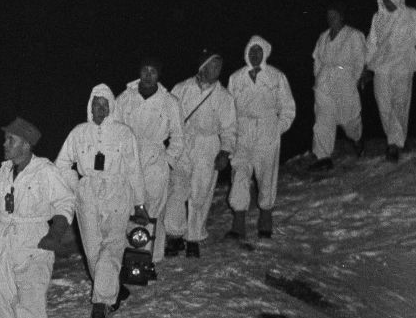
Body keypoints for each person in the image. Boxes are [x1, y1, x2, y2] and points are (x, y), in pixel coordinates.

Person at [0, 120, 74, 318]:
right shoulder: (3, 170)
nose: (4, 144)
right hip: (5, 238)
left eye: (10, 140)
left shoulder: (45, 170)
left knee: (31, 298)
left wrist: (55, 233)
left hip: (33, 238)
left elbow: (65, 201)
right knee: (0, 294)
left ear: (25, 144)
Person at [54, 84, 144, 318]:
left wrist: (140, 202)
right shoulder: (79, 132)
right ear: (90, 106)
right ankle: (111, 287)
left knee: (111, 248)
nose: (100, 109)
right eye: (96, 104)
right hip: (88, 196)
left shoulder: (124, 133)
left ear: (112, 107)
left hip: (117, 193)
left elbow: (134, 169)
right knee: (92, 249)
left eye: (105, 105)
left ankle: (100, 307)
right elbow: (61, 164)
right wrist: (77, 183)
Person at [165, 53, 237, 255]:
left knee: (201, 192)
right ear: (202, 67)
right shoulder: (181, 89)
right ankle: (174, 235)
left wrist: (225, 151)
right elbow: (168, 115)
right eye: (212, 66)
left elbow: (230, 128)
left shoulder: (224, 97)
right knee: (177, 189)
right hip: (183, 142)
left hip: (208, 145)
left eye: (219, 66)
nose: (217, 70)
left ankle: (194, 237)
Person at [226, 37, 297, 240]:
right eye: (251, 51)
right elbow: (229, 108)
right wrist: (232, 132)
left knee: (266, 177)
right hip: (242, 132)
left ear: (265, 52)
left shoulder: (277, 76)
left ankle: (266, 216)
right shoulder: (236, 78)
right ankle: (238, 222)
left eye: (258, 51)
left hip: (267, 131)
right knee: (239, 174)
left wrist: (276, 129)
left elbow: (288, 108)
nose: (255, 54)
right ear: (246, 53)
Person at [115, 61, 183, 264]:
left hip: (156, 159)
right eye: (144, 70)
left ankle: (151, 259)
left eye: (153, 72)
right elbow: (115, 130)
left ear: (159, 75)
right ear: (139, 72)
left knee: (153, 210)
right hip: (129, 158)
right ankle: (128, 258)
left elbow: (179, 137)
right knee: (128, 208)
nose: (148, 75)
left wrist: (168, 162)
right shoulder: (125, 98)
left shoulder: (169, 101)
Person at [364, 0, 416, 160]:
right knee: (384, 104)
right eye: (384, 0)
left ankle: (394, 144)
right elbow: (372, 44)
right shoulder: (378, 17)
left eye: (389, 0)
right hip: (381, 66)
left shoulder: (413, 15)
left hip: (404, 64)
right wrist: (367, 67)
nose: (387, 4)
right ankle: (395, 138)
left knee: (400, 103)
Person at [309, 7, 366, 169]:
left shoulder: (354, 35)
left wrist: (354, 79)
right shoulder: (323, 37)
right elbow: (317, 59)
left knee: (348, 118)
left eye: (334, 15)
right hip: (324, 82)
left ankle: (357, 137)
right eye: (328, 16)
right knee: (323, 118)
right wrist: (318, 77)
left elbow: (360, 60)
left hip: (345, 80)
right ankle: (323, 156)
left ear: (342, 16)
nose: (331, 19)